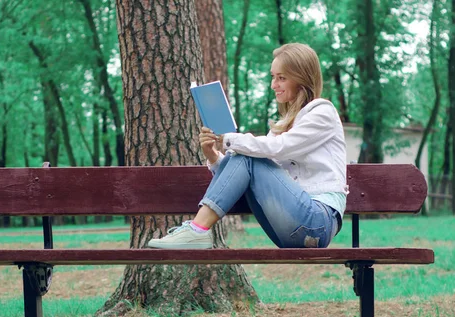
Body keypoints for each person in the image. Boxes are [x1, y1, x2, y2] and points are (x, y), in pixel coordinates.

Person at [148, 43, 347, 250]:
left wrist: (228, 138)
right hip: (288, 230)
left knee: (248, 152)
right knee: (246, 153)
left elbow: (279, 148)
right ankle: (197, 231)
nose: (273, 85)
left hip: (317, 222)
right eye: (273, 77)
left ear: (302, 78)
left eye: (281, 78)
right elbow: (248, 172)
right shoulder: (283, 125)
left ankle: (197, 230)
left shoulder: (322, 112)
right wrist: (214, 156)